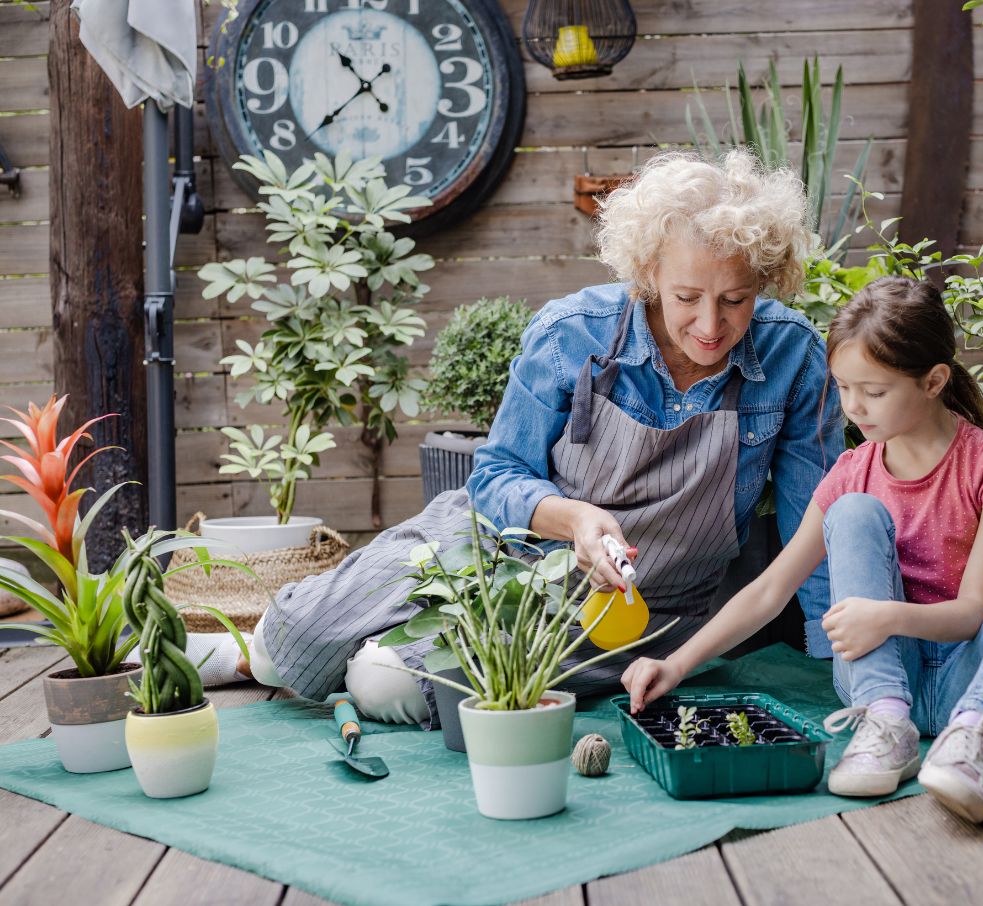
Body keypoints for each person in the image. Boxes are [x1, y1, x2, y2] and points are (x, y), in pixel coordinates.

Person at [195, 148, 843, 726]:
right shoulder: (573, 333)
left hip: (631, 612)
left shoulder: (792, 357)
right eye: (687, 296)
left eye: (735, 300)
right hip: (495, 545)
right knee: (297, 641)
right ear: (648, 272)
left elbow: (814, 522)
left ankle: (364, 658)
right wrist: (578, 521)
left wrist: (831, 661)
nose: (710, 324)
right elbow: (498, 476)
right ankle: (247, 656)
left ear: (763, 280)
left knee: (388, 683)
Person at [622, 276, 983, 823]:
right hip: (879, 677)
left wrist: (885, 617)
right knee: (855, 512)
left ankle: (971, 743)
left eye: (875, 391)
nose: (855, 407)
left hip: (967, 677)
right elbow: (769, 590)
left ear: (933, 381)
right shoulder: (851, 473)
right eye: (843, 387)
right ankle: (884, 726)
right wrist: (675, 665)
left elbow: (974, 614)